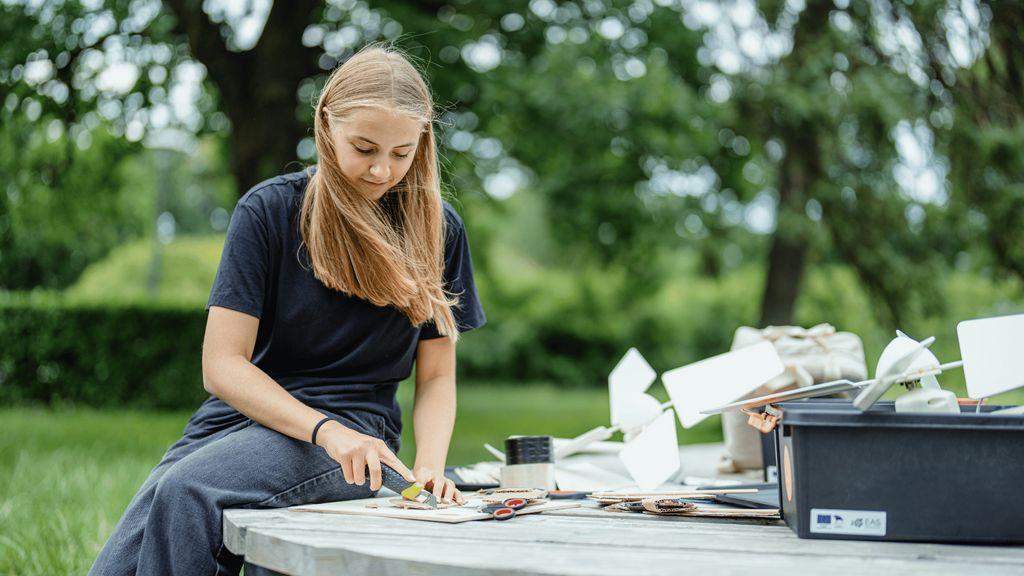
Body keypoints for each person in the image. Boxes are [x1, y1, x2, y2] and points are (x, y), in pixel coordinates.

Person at [89, 44, 485, 576]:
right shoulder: (269, 210)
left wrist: (430, 466)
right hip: (246, 423)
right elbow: (221, 365)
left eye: (401, 152)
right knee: (115, 567)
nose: (381, 170)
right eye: (364, 147)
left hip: (357, 439)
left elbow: (436, 375)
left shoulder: (440, 231)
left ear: (423, 143)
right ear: (326, 127)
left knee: (187, 492)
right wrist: (322, 429)